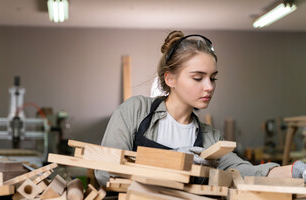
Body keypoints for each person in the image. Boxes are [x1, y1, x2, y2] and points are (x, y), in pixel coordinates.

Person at [95, 31, 306, 186]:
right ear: (170, 78)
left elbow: (245, 173)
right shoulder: (135, 111)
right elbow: (105, 173)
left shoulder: (211, 139)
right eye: (198, 77)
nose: (209, 87)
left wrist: (294, 170)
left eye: (213, 78)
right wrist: (173, 162)